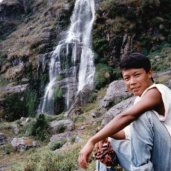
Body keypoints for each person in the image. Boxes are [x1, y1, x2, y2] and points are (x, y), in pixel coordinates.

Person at [78, 53, 171, 171]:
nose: (132, 82)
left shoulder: (157, 91)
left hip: (167, 159)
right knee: (109, 142)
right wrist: (104, 136)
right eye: (127, 78)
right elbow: (126, 134)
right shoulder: (139, 100)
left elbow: (129, 116)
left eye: (137, 75)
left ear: (149, 73)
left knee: (143, 114)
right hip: (155, 162)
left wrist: (92, 140)